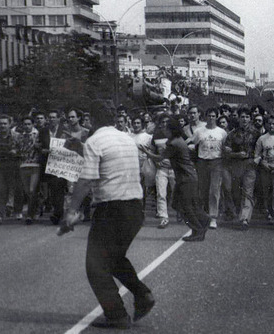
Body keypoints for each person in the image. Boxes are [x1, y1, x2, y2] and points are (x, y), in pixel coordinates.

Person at [59, 120, 155, 329]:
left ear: (91, 121)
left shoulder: (95, 141)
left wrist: (71, 211)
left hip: (112, 209)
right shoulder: (126, 139)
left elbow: (86, 180)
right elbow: (112, 165)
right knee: (113, 258)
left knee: (95, 265)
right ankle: (142, 294)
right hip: (135, 208)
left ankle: (117, 315)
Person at [142, 117, 210, 241]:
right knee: (180, 204)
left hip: (186, 178)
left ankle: (198, 229)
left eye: (165, 128)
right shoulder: (176, 140)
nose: (163, 130)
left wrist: (146, 152)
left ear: (171, 130)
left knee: (186, 206)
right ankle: (202, 221)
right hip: (185, 177)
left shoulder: (173, 143)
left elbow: (159, 158)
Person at [188, 108, 228, 229]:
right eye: (209, 116)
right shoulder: (200, 131)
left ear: (216, 117)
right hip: (202, 162)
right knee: (203, 190)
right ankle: (203, 214)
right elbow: (191, 143)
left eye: (213, 116)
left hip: (216, 162)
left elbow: (225, 147)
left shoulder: (222, 132)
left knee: (214, 190)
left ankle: (213, 217)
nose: (211, 118)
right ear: (205, 117)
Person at [226, 112, 262, 230]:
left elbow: (261, 150)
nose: (245, 119)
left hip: (250, 164)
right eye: (243, 116)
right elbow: (226, 151)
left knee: (248, 191)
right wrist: (236, 154)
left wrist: (257, 159)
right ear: (239, 118)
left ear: (250, 119)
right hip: (236, 164)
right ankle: (238, 212)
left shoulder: (257, 134)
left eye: (247, 116)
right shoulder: (232, 134)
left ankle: (245, 219)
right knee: (236, 191)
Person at [19, 116, 43, 224]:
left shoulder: (38, 134)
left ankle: (30, 214)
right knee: (27, 191)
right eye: (25, 124)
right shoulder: (20, 136)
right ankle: (37, 207)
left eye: (29, 124)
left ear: (33, 125)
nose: (27, 126)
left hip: (35, 165)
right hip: (23, 165)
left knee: (32, 190)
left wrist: (39, 146)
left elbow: (43, 146)